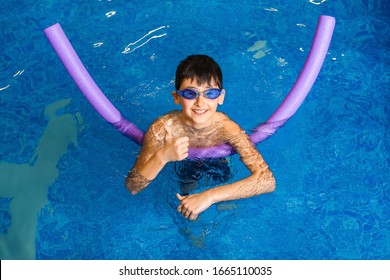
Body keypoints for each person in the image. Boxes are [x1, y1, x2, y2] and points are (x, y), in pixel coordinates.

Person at [125, 54, 275, 220]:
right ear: (177, 97)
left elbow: (267, 181)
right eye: (190, 93)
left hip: (219, 162)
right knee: (186, 210)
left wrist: (210, 196)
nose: (200, 102)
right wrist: (162, 156)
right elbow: (133, 186)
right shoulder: (163, 129)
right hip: (183, 163)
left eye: (210, 93)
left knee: (224, 203)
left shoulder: (227, 129)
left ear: (221, 97)